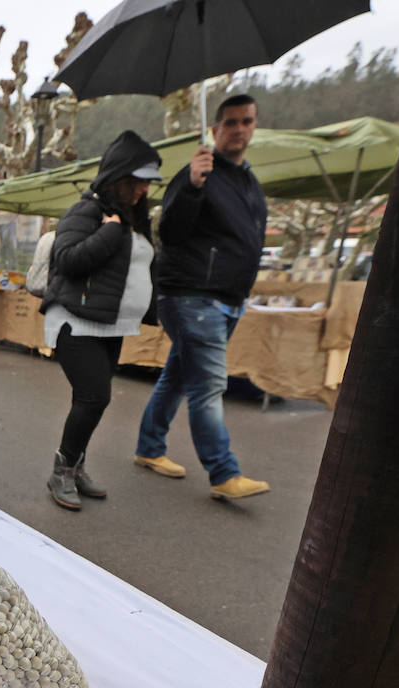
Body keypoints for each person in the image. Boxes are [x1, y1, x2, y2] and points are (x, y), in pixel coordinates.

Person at [134, 94, 270, 500]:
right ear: (214, 129)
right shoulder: (198, 173)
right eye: (231, 122)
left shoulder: (249, 182)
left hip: (228, 298)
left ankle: (149, 447)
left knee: (177, 377)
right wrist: (191, 186)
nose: (240, 129)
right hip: (193, 297)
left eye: (246, 121)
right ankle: (223, 472)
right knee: (207, 385)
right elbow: (170, 232)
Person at [40, 130, 163, 510]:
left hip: (111, 324)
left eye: (147, 182)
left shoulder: (132, 218)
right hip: (75, 323)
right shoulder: (89, 211)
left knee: (91, 400)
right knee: (95, 396)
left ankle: (75, 466)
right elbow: (68, 260)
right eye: (138, 181)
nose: (144, 189)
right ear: (119, 177)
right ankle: (61, 470)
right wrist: (110, 231)